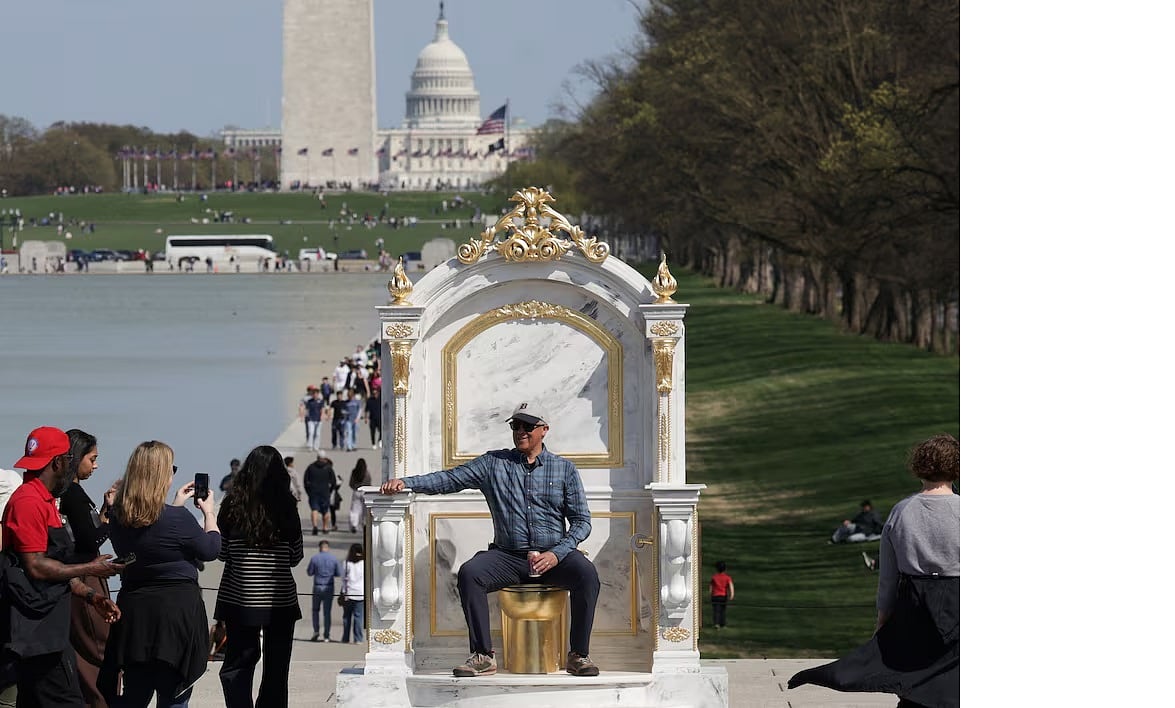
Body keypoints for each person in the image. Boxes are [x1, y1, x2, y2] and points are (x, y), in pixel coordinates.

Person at [380, 402, 601, 678]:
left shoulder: (564, 469)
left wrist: (557, 553)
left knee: (587, 575)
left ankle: (578, 654)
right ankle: (483, 655)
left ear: (544, 430)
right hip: (508, 556)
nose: (520, 431)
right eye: (515, 426)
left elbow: (582, 521)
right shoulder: (493, 464)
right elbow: (450, 479)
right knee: (471, 573)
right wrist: (405, 482)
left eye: (527, 426)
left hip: (553, 556)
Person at [788, 434, 960, 708]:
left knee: (913, 684)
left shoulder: (902, 512)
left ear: (920, 466)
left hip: (913, 607)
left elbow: (888, 578)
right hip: (958, 605)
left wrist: (883, 620)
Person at [1, 427, 122, 707]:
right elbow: (37, 567)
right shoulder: (29, 501)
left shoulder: (43, 500)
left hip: (48, 628)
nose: (71, 463)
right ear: (58, 462)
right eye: (68, 457)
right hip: (37, 635)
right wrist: (90, 568)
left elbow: (53, 566)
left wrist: (92, 596)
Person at [97, 440, 221, 707]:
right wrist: (209, 514)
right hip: (176, 615)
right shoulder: (177, 519)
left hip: (135, 615)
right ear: (161, 475)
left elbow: (152, 534)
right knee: (173, 694)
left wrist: (177, 503)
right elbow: (210, 549)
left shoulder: (119, 516)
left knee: (135, 693)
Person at [214, 445, 303, 707]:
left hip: (239, 596)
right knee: (277, 668)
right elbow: (295, 557)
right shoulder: (287, 506)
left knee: (237, 664)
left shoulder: (232, 504)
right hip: (279, 600)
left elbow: (221, 552)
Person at [57, 429, 120, 708]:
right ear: (75, 458)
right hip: (84, 575)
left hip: (77, 573)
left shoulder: (65, 493)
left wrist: (104, 511)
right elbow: (89, 540)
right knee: (99, 647)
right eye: (92, 459)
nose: (95, 465)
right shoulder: (74, 495)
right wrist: (110, 518)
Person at [306, 541, 341, 642]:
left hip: (317, 587)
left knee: (315, 610)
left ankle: (316, 631)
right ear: (327, 548)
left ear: (320, 547)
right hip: (329, 587)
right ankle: (326, 635)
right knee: (327, 612)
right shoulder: (333, 559)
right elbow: (338, 573)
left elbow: (309, 572)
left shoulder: (315, 558)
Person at [303, 451, 335, 536]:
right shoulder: (328, 468)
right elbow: (333, 481)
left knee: (314, 509)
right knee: (326, 511)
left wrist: (308, 491)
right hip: (325, 492)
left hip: (313, 492)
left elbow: (305, 481)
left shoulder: (311, 467)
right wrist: (330, 490)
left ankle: (315, 527)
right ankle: (325, 527)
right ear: (324, 458)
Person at [339, 544, 365, 644]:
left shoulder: (346, 563)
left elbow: (343, 579)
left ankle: (345, 638)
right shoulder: (364, 563)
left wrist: (343, 592)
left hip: (349, 593)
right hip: (360, 593)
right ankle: (358, 638)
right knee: (358, 617)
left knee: (346, 617)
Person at [347, 459, 372, 534]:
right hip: (364, 492)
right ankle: (365, 523)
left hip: (356, 492)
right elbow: (369, 482)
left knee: (354, 510)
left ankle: (354, 524)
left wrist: (354, 487)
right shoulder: (366, 473)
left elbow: (351, 483)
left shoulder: (354, 472)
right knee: (365, 509)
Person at [709, 561, 735, 630]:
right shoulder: (727, 577)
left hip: (715, 596)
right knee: (723, 610)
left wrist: (710, 594)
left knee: (716, 610)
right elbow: (730, 586)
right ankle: (722, 623)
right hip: (723, 596)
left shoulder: (714, 577)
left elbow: (711, 587)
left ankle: (716, 623)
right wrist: (731, 594)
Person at [364, 386, 382, 450]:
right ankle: (373, 444)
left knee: (381, 430)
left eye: (376, 393)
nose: (375, 394)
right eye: (373, 393)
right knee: (372, 432)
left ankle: (380, 439)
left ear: (378, 393)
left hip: (380, 418)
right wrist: (366, 418)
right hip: (372, 419)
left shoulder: (381, 399)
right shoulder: (369, 400)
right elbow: (366, 410)